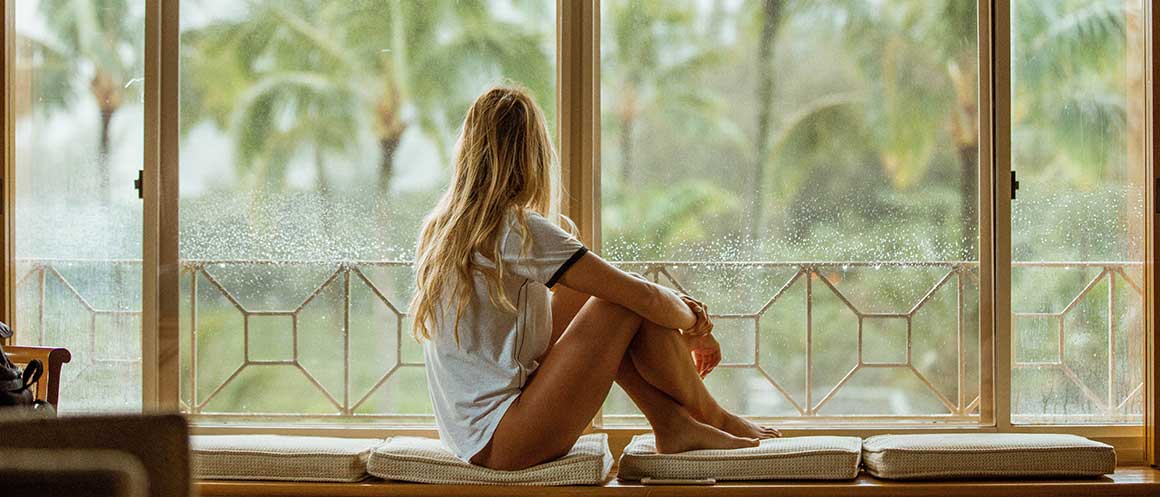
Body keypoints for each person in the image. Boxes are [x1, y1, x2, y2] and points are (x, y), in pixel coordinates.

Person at [410, 85, 780, 471]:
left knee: (593, 296)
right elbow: (644, 299)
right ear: (534, 154)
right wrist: (698, 327)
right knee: (620, 302)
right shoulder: (515, 229)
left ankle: (672, 425)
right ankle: (714, 417)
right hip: (504, 442)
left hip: (470, 436)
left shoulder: (443, 228)